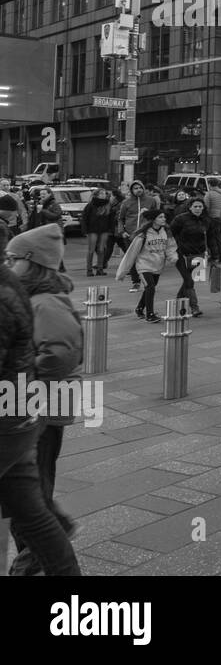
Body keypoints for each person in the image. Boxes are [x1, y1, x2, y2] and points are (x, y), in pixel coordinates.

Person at [4, 223, 82, 575]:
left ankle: (37, 553)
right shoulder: (29, 298)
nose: (8, 263)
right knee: (28, 500)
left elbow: (62, 355)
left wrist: (29, 378)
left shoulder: (46, 303)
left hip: (42, 407)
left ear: (32, 263)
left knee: (34, 498)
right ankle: (39, 551)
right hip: (30, 406)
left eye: (13, 258)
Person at [171, 197, 221, 317]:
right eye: (195, 206)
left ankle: (177, 302)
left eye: (200, 206)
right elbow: (170, 234)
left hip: (199, 255)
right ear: (190, 207)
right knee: (189, 281)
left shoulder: (207, 221)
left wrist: (215, 256)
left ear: (203, 208)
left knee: (189, 281)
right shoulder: (180, 219)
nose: (198, 209)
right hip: (181, 254)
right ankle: (194, 307)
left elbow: (211, 239)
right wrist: (173, 250)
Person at [131, 209, 177, 322]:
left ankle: (139, 308)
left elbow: (170, 246)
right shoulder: (143, 234)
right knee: (150, 287)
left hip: (158, 265)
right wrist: (123, 271)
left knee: (150, 288)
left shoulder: (166, 231)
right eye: (160, 217)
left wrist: (172, 257)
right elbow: (131, 253)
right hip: (144, 265)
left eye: (164, 217)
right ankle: (150, 314)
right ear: (153, 219)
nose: (164, 219)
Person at [116, 180, 159, 292]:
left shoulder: (151, 201)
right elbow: (120, 218)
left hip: (147, 234)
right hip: (131, 235)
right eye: (135, 188)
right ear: (132, 190)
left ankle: (150, 281)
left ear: (143, 188)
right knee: (133, 258)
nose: (138, 190)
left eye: (140, 187)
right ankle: (136, 282)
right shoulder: (126, 202)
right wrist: (122, 232)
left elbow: (156, 215)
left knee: (148, 257)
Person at [79, 187, 115, 276]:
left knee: (101, 250)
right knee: (91, 250)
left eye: (105, 193)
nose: (104, 195)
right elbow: (84, 218)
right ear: (96, 195)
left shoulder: (108, 205)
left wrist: (111, 229)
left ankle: (100, 269)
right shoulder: (91, 205)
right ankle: (89, 270)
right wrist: (85, 230)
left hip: (104, 230)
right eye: (101, 193)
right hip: (92, 230)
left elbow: (111, 219)